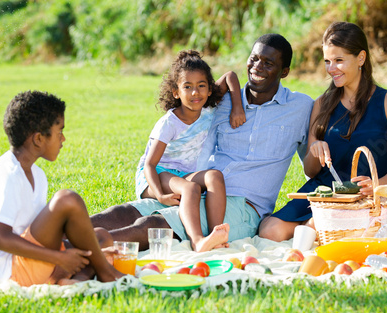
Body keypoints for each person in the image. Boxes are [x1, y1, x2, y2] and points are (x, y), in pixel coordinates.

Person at [91, 33, 314, 250]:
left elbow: (315, 164)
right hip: (197, 188)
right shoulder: (218, 100)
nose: (257, 67)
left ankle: (74, 249)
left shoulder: (301, 107)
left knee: (154, 226)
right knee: (123, 213)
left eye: (268, 63)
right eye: (254, 59)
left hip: (244, 206)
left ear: (284, 72)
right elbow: (194, 99)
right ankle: (61, 232)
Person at [258, 21, 387, 242]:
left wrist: (378, 185)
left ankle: (312, 229)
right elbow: (311, 171)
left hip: (365, 197)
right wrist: (314, 150)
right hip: (324, 191)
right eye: (328, 61)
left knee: (313, 227)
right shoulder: (321, 104)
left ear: (361, 58)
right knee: (270, 231)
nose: (331, 69)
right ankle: (313, 229)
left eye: (339, 60)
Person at [0, 91, 123, 287]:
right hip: (7, 271)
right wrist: (59, 258)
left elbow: (39, 231)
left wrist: (87, 250)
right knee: (66, 200)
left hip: (32, 261)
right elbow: (0, 239)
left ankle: (69, 280)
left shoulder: (37, 175)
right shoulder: (5, 175)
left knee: (101, 237)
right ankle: (106, 273)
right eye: (59, 132)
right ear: (38, 139)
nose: (64, 139)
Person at [136, 50, 245, 252]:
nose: (195, 93)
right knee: (190, 189)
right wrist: (160, 195)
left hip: (182, 175)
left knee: (214, 176)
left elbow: (230, 76)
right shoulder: (169, 123)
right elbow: (149, 164)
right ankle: (197, 240)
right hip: (156, 175)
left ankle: (216, 234)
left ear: (210, 89)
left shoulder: (207, 110)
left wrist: (237, 107)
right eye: (187, 87)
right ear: (176, 92)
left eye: (201, 86)